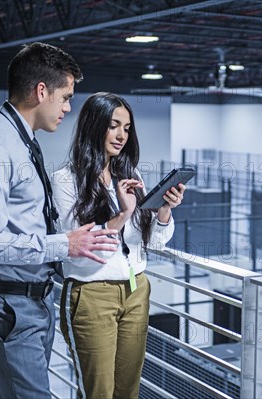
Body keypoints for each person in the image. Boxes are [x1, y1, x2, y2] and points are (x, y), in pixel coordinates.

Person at [0, 43, 121, 399]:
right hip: (8, 308)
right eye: (65, 97)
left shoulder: (18, 138)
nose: (68, 108)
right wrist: (64, 244)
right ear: (41, 91)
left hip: (26, 303)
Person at [52, 92, 186, 399]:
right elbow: (82, 249)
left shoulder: (130, 174)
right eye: (114, 126)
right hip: (92, 294)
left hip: (136, 289)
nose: (122, 135)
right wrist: (123, 213)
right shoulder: (65, 180)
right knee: (98, 392)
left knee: (128, 391)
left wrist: (164, 210)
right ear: (94, 125)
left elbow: (151, 242)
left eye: (126, 128)